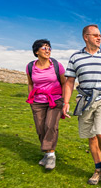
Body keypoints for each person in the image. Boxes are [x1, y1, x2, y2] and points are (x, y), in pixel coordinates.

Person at [62, 24, 101, 185]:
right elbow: (70, 82)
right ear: (86, 37)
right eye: (95, 35)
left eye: (100, 35)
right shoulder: (75, 57)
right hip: (84, 101)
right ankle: (97, 169)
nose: (99, 37)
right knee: (91, 137)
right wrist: (65, 102)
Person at [26, 39, 66, 170]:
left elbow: (64, 83)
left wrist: (65, 101)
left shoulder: (56, 65)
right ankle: (48, 154)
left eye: (49, 48)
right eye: (44, 48)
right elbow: (30, 83)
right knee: (40, 128)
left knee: (50, 125)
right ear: (36, 51)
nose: (47, 50)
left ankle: (51, 156)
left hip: (55, 100)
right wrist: (30, 99)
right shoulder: (30, 66)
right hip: (37, 101)